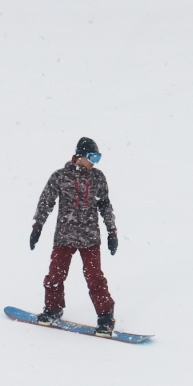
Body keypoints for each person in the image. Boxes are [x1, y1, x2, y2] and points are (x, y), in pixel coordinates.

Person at [30, 136, 119, 335]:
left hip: (90, 239)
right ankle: (53, 309)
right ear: (80, 156)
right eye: (92, 157)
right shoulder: (61, 177)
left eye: (98, 158)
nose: (94, 162)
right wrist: (37, 226)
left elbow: (105, 205)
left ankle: (105, 317)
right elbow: (46, 201)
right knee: (55, 276)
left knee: (95, 279)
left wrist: (112, 230)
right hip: (64, 236)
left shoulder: (97, 178)